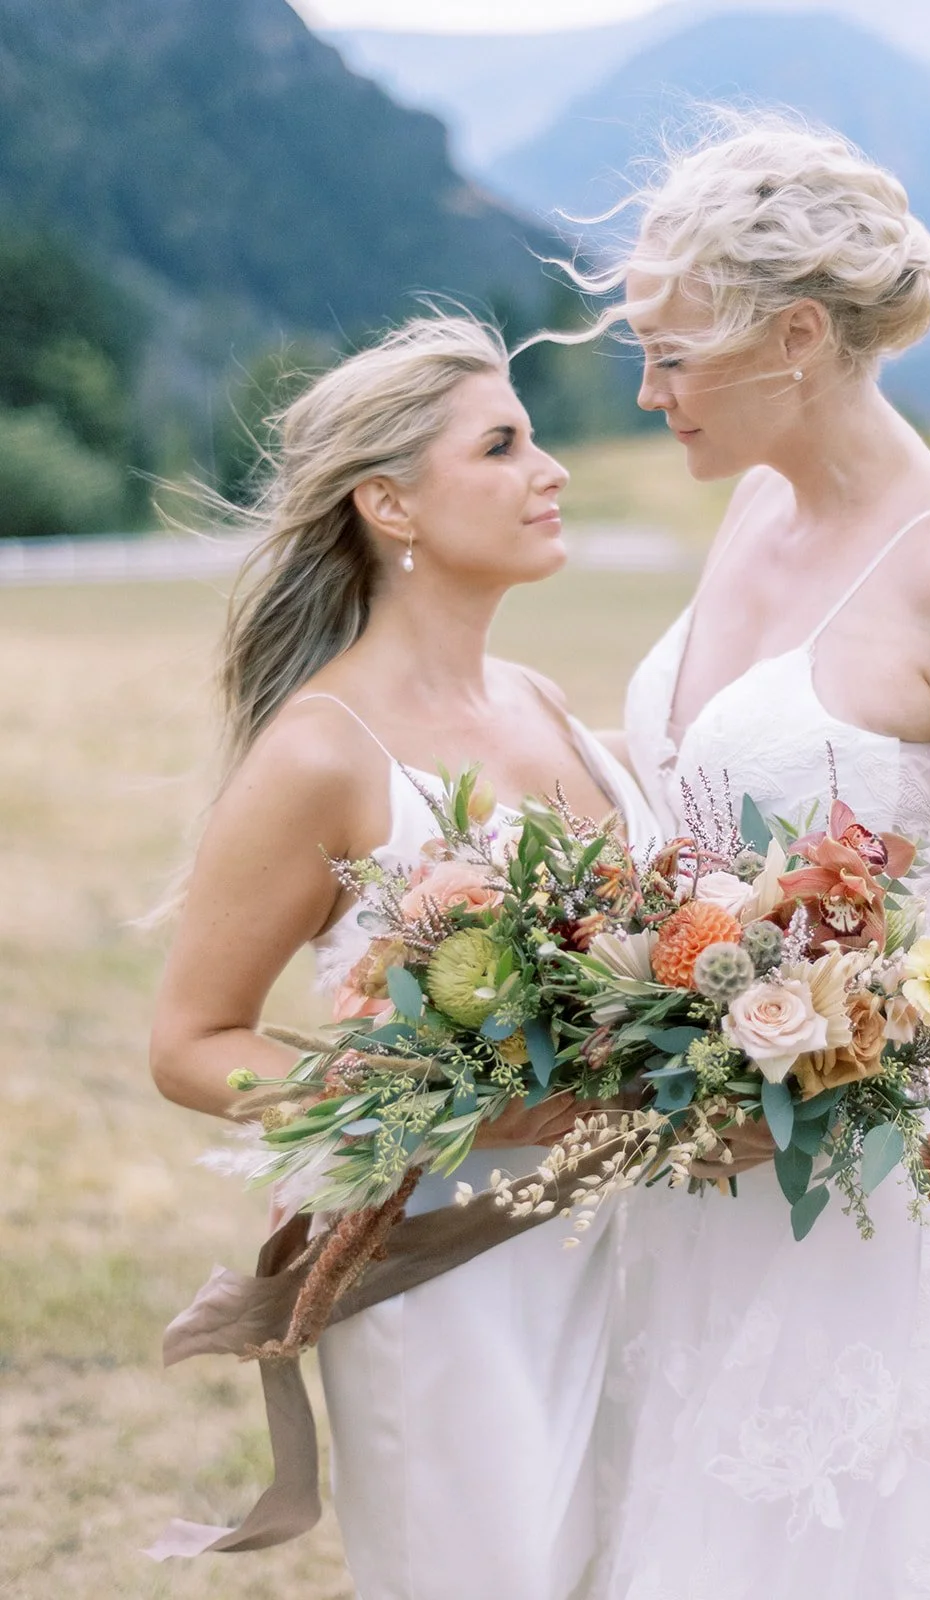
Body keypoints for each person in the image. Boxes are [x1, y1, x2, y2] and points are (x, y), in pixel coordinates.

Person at [592, 114, 930, 1597]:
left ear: (796, 337)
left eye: (671, 357)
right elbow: (700, 799)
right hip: (706, 1136)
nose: (647, 393)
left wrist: (845, 1073)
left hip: (875, 1159)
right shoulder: (754, 505)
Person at [149, 314, 657, 1600]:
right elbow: (190, 1042)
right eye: (502, 446)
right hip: (444, 1268)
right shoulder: (324, 751)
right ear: (390, 504)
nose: (549, 470)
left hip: (633, 1240)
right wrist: (423, 1105)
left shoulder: (540, 700)